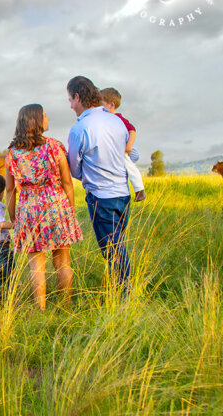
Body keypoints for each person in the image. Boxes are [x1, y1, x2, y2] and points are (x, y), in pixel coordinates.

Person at [5, 104, 82, 311]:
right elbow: (67, 182)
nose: (48, 119)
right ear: (36, 121)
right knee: (63, 262)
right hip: (57, 205)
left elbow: (10, 190)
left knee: (36, 267)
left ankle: (41, 310)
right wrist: (70, 211)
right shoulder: (54, 147)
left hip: (29, 209)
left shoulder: (13, 153)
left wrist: (14, 218)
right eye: (45, 116)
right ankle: (66, 306)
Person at [66, 76, 132, 294]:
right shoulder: (117, 121)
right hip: (123, 194)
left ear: (78, 96)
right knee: (118, 244)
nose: (70, 105)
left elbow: (74, 169)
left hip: (101, 197)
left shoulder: (81, 128)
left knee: (114, 250)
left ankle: (123, 297)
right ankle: (116, 290)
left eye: (70, 99)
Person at [100, 87, 146, 202]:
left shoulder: (118, 118)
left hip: (124, 148)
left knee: (129, 166)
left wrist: (129, 146)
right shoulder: (105, 119)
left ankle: (140, 190)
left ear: (111, 105)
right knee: (126, 167)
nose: (99, 108)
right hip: (117, 149)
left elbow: (132, 131)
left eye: (102, 104)